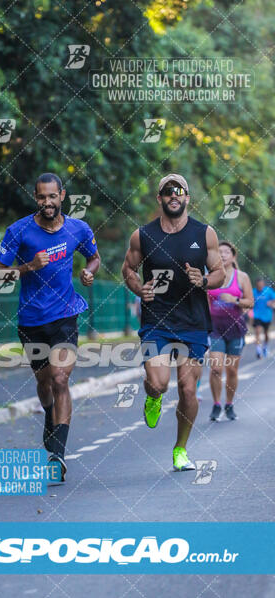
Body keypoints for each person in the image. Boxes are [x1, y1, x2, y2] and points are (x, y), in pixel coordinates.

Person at [0, 173, 100, 482]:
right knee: (44, 384)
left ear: (62, 195)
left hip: (65, 316)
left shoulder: (78, 228)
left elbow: (94, 258)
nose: (47, 202)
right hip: (31, 321)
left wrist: (89, 272)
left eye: (52, 196)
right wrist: (28, 267)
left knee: (59, 377)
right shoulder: (19, 231)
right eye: (41, 197)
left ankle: (57, 455)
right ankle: (49, 414)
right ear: (35, 197)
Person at [122, 173, 225, 471]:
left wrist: (204, 280)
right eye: (168, 191)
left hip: (193, 322)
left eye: (179, 190)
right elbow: (128, 268)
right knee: (158, 383)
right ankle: (152, 397)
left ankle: (180, 449)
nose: (174, 195)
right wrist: (139, 288)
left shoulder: (205, 233)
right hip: (156, 321)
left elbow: (220, 272)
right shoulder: (143, 235)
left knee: (188, 389)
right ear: (160, 198)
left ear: (188, 197)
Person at [208, 241, 254, 421]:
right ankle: (216, 404)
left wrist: (234, 300)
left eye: (226, 252)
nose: (222, 255)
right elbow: (204, 303)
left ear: (233, 256)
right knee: (216, 368)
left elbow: (250, 302)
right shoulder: (210, 277)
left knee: (232, 371)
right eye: (219, 252)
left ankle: (228, 403)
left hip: (235, 329)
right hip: (215, 329)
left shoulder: (242, 277)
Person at [252, 277, 275, 358]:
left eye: (261, 285)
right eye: (258, 285)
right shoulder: (253, 292)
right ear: (256, 285)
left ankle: (265, 346)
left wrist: (271, 302)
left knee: (266, 333)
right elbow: (250, 301)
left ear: (263, 284)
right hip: (257, 315)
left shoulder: (268, 291)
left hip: (267, 315)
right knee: (257, 331)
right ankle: (258, 350)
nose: (260, 287)